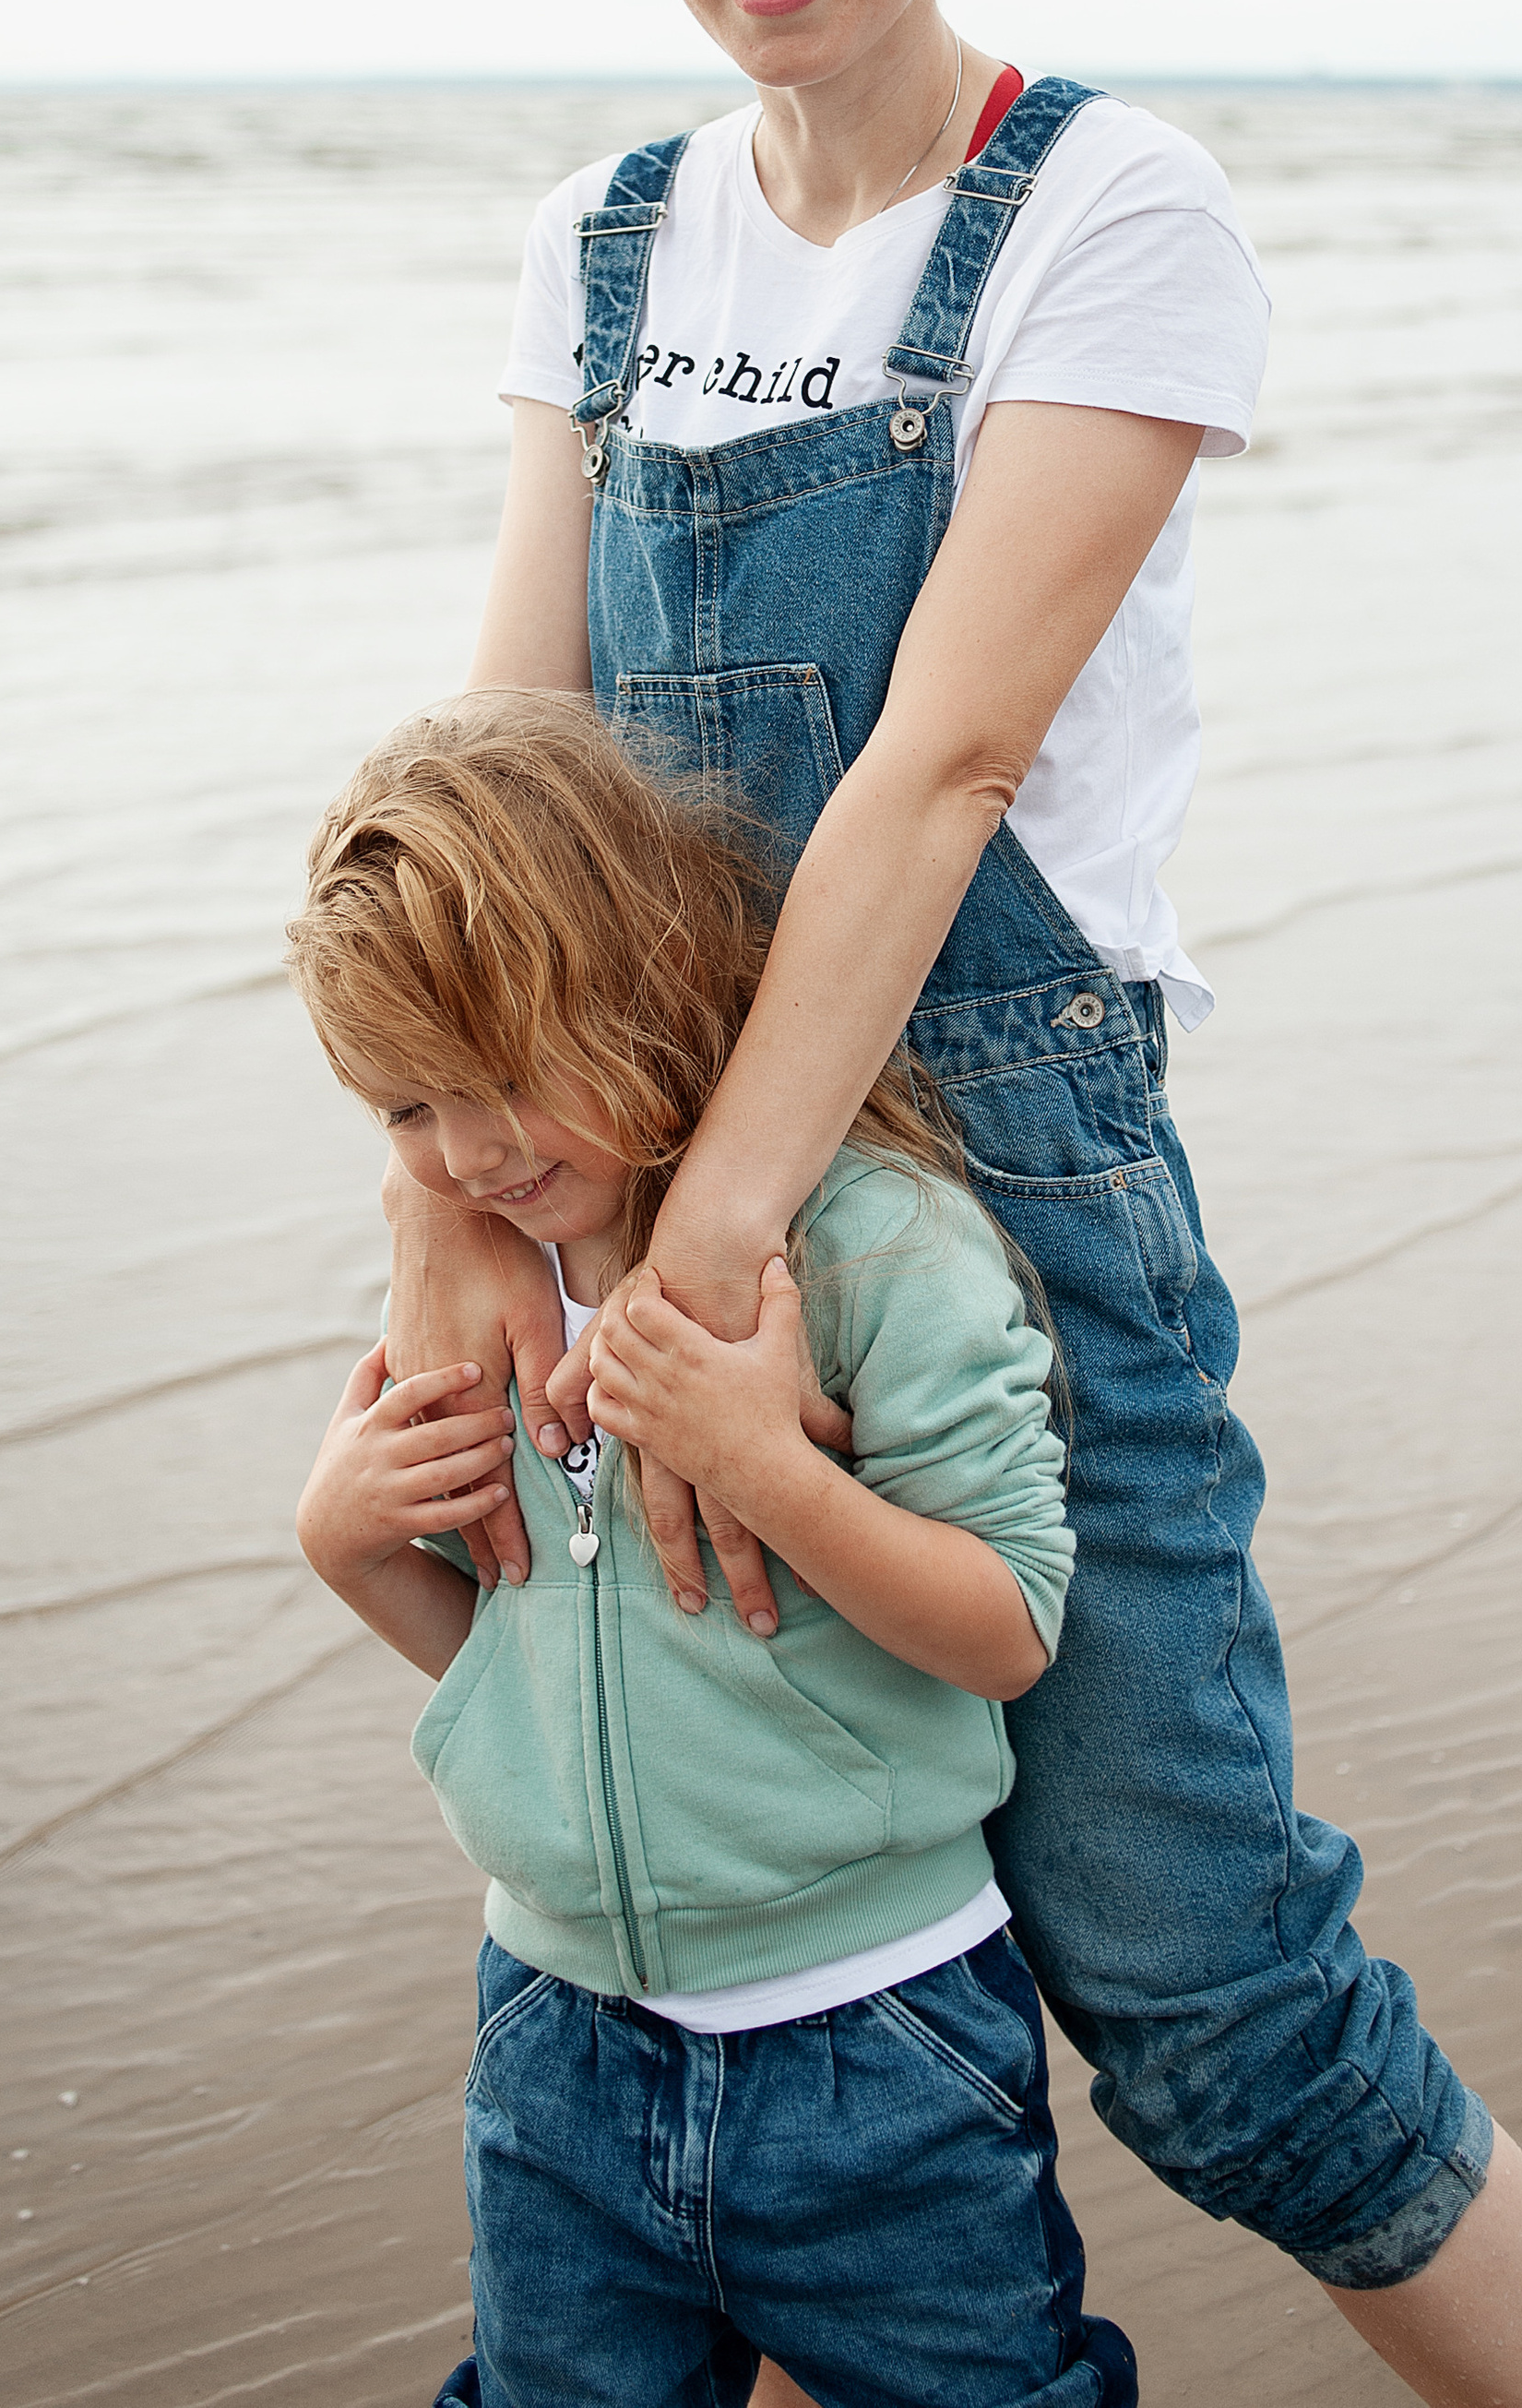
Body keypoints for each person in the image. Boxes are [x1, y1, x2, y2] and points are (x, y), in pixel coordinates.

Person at [386, 0, 1522, 2406]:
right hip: (647, 1213)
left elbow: (939, 765)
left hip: (1004, 1214)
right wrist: (452, 1213)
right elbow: (511, 772)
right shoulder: (604, 237)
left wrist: (718, 1261)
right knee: (797, 1970)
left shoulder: (1110, 211)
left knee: (1221, 2018)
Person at [291, 693, 1137, 2408]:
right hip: (553, 2043)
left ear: (644, 979)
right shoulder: (491, 1286)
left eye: (506, 1074)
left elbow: (1008, 1630)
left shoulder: (871, 1252)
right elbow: (508, 1650)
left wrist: (774, 1471)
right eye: (404, 1110)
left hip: (876, 2042)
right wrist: (345, 1541)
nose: (466, 1156)